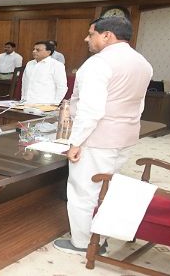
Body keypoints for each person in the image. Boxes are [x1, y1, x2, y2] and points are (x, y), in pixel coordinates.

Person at [53, 17, 153, 254]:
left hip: (97, 139)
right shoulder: (143, 63)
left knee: (83, 191)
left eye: (91, 34)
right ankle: (101, 236)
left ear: (107, 35)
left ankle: (83, 243)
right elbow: (139, 105)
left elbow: (91, 110)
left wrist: (76, 142)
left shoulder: (98, 63)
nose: (87, 39)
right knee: (107, 189)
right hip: (126, 136)